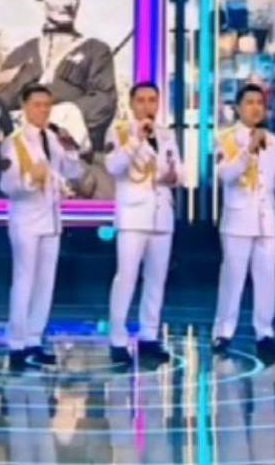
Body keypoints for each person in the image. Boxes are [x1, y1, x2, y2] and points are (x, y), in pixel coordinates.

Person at [0, 0, 117, 157]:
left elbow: (104, 100)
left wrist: (57, 118)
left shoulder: (96, 50)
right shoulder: (23, 53)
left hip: (71, 152)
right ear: (42, 1)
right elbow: (1, 102)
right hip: (23, 153)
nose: (68, 3)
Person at [0, 85, 85, 370]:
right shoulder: (14, 142)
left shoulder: (53, 138)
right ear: (24, 106)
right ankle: (17, 343)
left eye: (47, 105)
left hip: (51, 218)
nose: (43, 110)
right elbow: (7, 185)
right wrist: (30, 179)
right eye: (37, 105)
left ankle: (35, 339)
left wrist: (71, 149)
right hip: (25, 218)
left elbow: (73, 172)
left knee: (46, 282)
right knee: (24, 279)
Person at [212, 84, 275, 361]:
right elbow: (226, 174)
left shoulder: (272, 140)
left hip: (266, 219)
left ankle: (265, 333)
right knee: (233, 277)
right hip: (237, 219)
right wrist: (248, 150)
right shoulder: (226, 139)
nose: (256, 107)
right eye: (249, 102)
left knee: (267, 278)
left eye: (260, 102)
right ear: (238, 108)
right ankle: (223, 331)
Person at [104, 81, 184, 367]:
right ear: (131, 103)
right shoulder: (119, 131)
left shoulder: (166, 134)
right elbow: (113, 166)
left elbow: (179, 170)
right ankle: (118, 339)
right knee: (126, 277)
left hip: (161, 213)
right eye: (141, 100)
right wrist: (137, 139)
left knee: (156, 278)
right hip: (133, 215)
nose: (147, 105)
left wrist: (175, 175)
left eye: (152, 100)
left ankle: (149, 336)